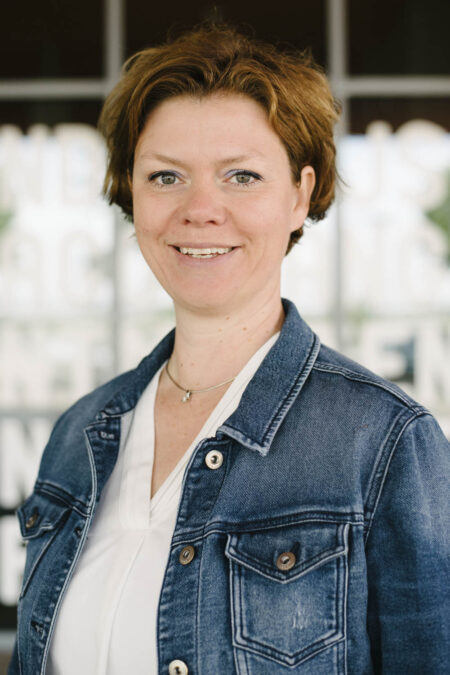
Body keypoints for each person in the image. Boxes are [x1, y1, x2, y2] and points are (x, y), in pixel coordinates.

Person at [9, 23, 449, 675]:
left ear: (299, 194)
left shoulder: (384, 443)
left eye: (241, 175)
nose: (201, 209)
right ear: (132, 191)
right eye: (166, 176)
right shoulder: (80, 435)